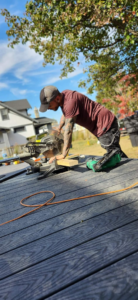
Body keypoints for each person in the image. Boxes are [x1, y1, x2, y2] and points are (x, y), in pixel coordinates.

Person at [39, 85, 127, 163]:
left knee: (114, 154)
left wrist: (63, 154)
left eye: (49, 106)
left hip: (105, 124)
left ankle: (132, 171)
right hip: (101, 124)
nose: (48, 109)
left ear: (57, 98)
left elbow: (68, 131)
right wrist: (59, 127)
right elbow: (65, 113)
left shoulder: (70, 102)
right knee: (115, 153)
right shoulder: (64, 95)